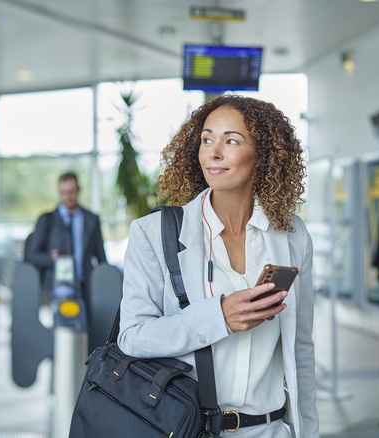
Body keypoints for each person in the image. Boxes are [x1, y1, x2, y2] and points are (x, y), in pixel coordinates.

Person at [117, 95, 319, 437]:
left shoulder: (292, 235)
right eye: (207, 139)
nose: (213, 151)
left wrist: (308, 432)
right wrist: (218, 317)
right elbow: (132, 337)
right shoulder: (153, 234)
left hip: (268, 431)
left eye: (231, 141)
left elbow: (300, 348)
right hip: (187, 429)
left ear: (263, 154)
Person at [25, 172, 107, 304]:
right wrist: (51, 258)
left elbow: (101, 257)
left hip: (85, 289)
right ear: (59, 192)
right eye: (64, 192)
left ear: (79, 190)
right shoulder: (46, 220)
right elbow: (32, 255)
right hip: (54, 289)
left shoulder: (91, 220)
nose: (68, 196)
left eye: (72, 192)